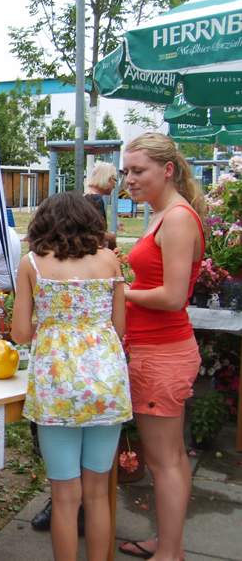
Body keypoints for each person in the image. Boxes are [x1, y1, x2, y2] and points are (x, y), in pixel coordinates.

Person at [11, 192, 130, 561]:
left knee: (65, 497)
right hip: (106, 385)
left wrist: (51, 325)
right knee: (97, 495)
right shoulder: (110, 261)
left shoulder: (32, 263)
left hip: (57, 387)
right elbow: (120, 327)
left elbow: (20, 334)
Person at [119, 133, 207, 561]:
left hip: (162, 353)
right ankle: (169, 542)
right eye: (126, 171)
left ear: (167, 170)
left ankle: (170, 553)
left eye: (138, 171)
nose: (129, 180)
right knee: (167, 456)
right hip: (155, 350)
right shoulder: (161, 215)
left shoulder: (175, 218)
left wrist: (118, 291)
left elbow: (173, 296)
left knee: (164, 460)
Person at [85, 162, 119, 250]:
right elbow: (95, 233)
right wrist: (110, 237)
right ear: (108, 179)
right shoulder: (96, 199)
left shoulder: (85, 197)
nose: (115, 185)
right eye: (115, 179)